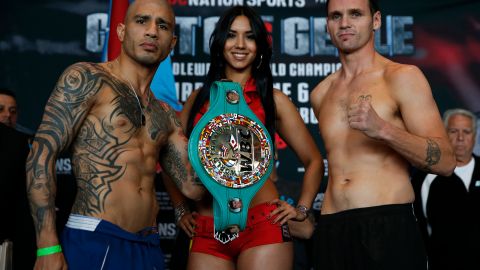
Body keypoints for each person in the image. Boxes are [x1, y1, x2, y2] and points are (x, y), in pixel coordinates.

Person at [26, 1, 205, 269]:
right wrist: (47, 245)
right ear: (121, 31)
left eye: (163, 25)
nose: (153, 31)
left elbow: (193, 187)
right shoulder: (88, 79)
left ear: (172, 42)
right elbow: (42, 155)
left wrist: (230, 145)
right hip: (94, 236)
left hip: (149, 247)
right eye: (142, 21)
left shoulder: (166, 114)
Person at [164, 5, 324, 270]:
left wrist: (302, 210)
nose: (240, 44)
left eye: (249, 36)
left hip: (263, 224)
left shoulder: (273, 100)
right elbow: (170, 159)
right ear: (220, 42)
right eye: (231, 35)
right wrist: (180, 208)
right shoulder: (197, 99)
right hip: (208, 227)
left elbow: (314, 160)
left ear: (259, 45)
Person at [310, 0, 456, 269]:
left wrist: (384, 130)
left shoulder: (401, 77)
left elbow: (446, 162)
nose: (344, 23)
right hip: (332, 228)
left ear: (375, 21)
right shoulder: (321, 93)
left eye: (355, 14)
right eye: (336, 16)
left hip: (386, 225)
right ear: (328, 26)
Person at [412, 108, 480, 270]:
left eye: (467, 132)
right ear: (443, 134)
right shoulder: (425, 176)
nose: (460, 138)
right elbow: (418, 229)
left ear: (475, 136)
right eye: (454, 131)